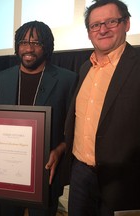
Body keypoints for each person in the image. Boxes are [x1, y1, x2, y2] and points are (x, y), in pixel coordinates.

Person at [62, 0, 140, 215]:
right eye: (95, 25)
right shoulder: (85, 67)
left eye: (111, 21)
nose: (103, 29)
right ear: (89, 32)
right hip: (80, 174)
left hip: (122, 180)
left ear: (127, 24)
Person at [0, 21, 78, 216]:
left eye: (36, 43)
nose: (28, 48)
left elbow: (74, 129)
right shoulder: (2, 78)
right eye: (23, 42)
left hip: (45, 173)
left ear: (46, 46)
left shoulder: (67, 80)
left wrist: (59, 149)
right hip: (7, 173)